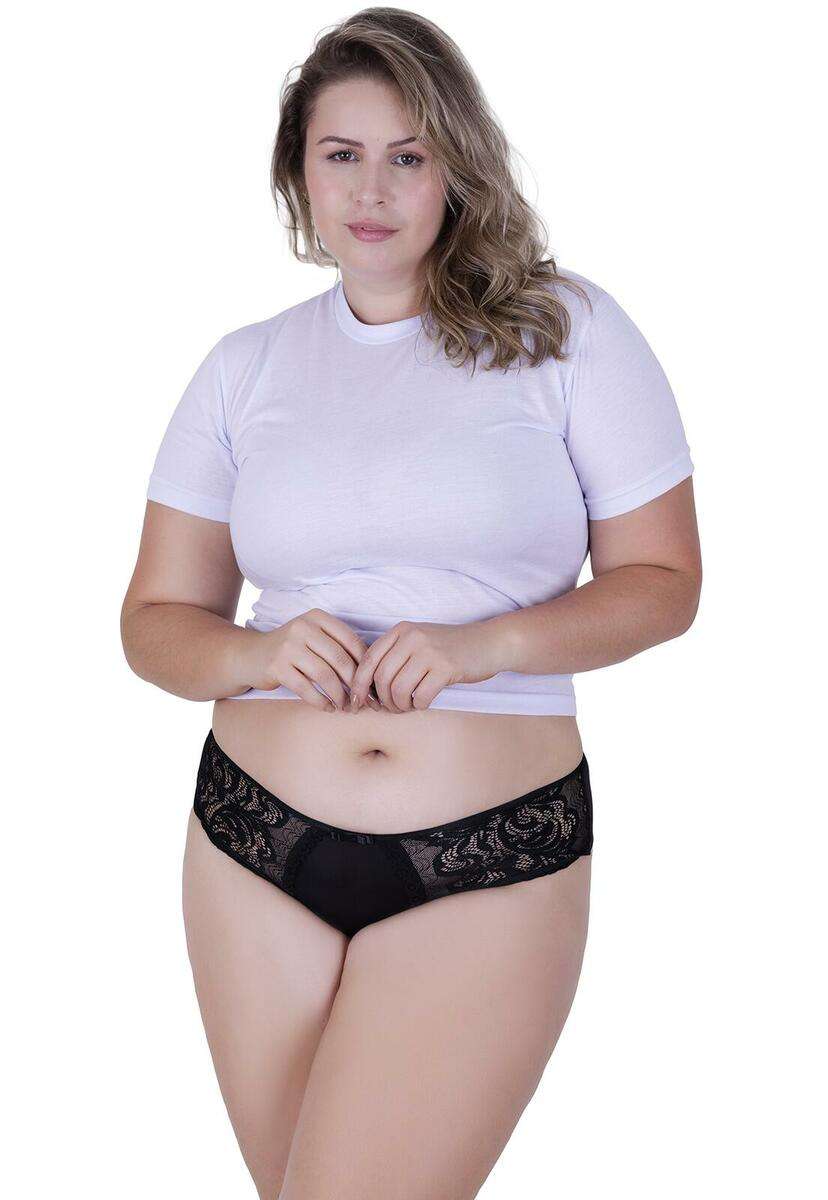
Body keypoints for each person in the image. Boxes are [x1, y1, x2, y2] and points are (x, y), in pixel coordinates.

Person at [120, 9, 702, 1199]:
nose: (372, 189)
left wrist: (491, 644)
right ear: (299, 173)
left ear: (456, 167)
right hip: (249, 844)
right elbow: (155, 623)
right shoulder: (244, 367)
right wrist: (257, 655)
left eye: (408, 155)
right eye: (341, 155)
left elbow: (666, 583)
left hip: (488, 851)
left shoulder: (565, 332)